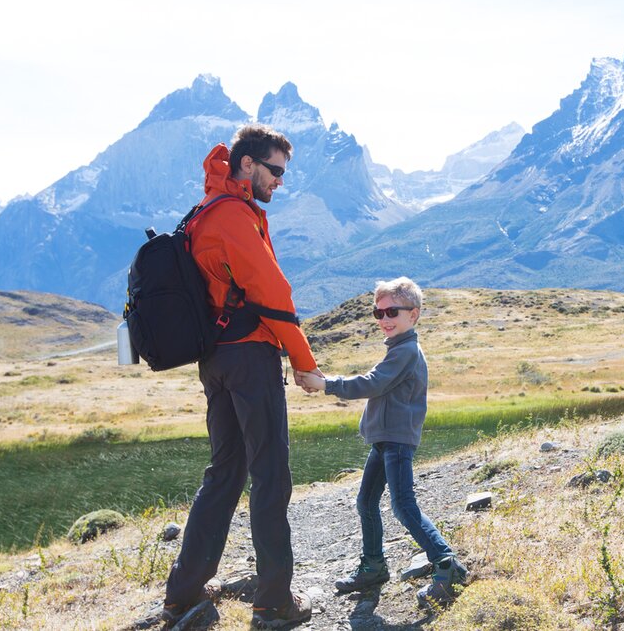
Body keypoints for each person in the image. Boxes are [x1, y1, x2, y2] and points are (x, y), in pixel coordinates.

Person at [161, 124, 322, 629]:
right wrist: (303, 361)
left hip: (217, 361)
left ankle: (184, 593)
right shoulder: (232, 215)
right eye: (275, 171)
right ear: (247, 165)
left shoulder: (205, 209)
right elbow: (272, 292)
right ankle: (274, 600)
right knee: (270, 474)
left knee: (225, 472)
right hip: (251, 358)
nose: (280, 182)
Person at [298, 277, 468, 607]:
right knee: (366, 502)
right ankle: (374, 567)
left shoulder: (406, 351)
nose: (384, 319)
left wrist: (326, 384)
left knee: (403, 505)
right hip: (384, 439)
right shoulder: (398, 349)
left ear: (413, 315)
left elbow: (373, 383)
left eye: (392, 311)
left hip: (397, 440)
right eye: (378, 313)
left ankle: (448, 565)